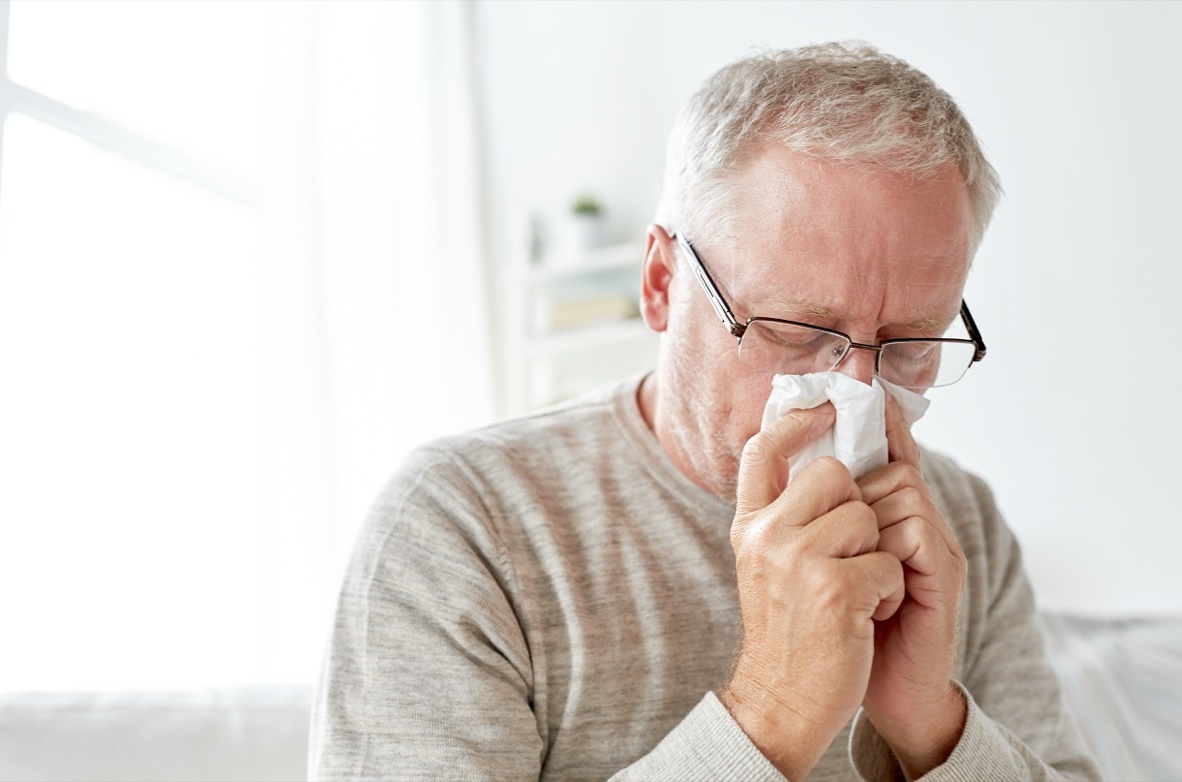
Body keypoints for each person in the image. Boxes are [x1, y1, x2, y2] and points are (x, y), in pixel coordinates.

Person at [309, 42, 1100, 781]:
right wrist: (774, 713)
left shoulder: (959, 526)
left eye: (908, 344)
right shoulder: (464, 526)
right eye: (796, 332)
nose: (857, 390)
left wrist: (935, 727)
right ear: (661, 284)